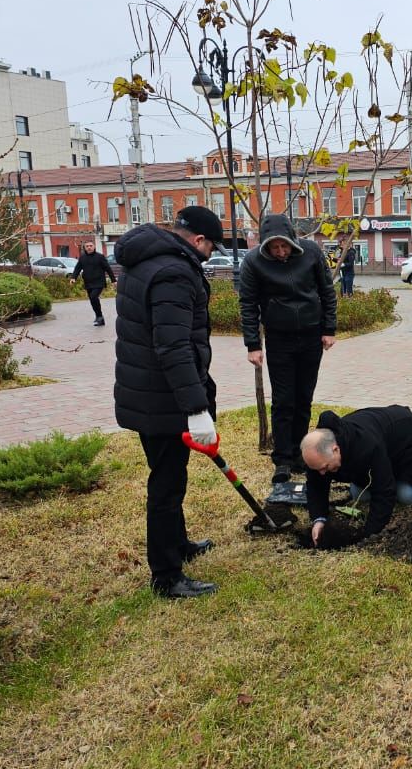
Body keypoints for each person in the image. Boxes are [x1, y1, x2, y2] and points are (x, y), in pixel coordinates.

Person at [114, 205, 225, 599]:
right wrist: (196, 409)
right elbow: (174, 346)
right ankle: (166, 575)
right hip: (163, 398)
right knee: (166, 484)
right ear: (198, 240)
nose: (212, 254)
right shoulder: (175, 272)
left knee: (170, 475)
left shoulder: (144, 261)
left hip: (147, 391)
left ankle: (178, 544)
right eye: (212, 246)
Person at [239, 213, 337, 483]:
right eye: (274, 247)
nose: (280, 252)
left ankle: (298, 453)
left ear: (293, 242)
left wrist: (329, 329)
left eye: (284, 246)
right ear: (266, 246)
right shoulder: (253, 262)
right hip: (279, 338)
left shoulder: (312, 253)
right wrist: (253, 345)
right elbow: (248, 304)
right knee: (284, 400)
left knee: (304, 397)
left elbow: (326, 290)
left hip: (311, 335)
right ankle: (282, 458)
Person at [301, 406, 412, 545]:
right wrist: (319, 519)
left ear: (335, 449)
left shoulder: (366, 446)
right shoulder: (318, 454)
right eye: (318, 469)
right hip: (384, 450)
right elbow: (315, 486)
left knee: (407, 495)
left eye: (325, 467)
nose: (321, 473)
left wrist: (369, 534)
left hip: (407, 442)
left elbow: (385, 491)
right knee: (359, 494)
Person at [71, 239, 116, 326]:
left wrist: (113, 280)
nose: (89, 247)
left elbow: (108, 268)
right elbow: (77, 268)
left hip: (99, 282)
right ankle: (99, 317)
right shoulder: (82, 257)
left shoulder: (100, 257)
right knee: (92, 300)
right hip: (88, 282)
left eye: (91, 246)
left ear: (94, 246)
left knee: (94, 297)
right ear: (84, 247)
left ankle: (99, 317)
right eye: (87, 246)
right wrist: (73, 278)